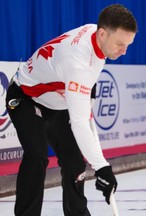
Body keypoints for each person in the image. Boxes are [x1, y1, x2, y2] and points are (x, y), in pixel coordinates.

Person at [5, 4, 137, 216]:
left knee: (75, 162)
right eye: (121, 44)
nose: (124, 51)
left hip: (57, 101)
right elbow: (80, 123)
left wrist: (89, 90)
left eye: (128, 45)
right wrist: (102, 167)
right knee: (37, 155)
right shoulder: (77, 62)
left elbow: (88, 74)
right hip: (26, 98)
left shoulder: (97, 35)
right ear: (102, 34)